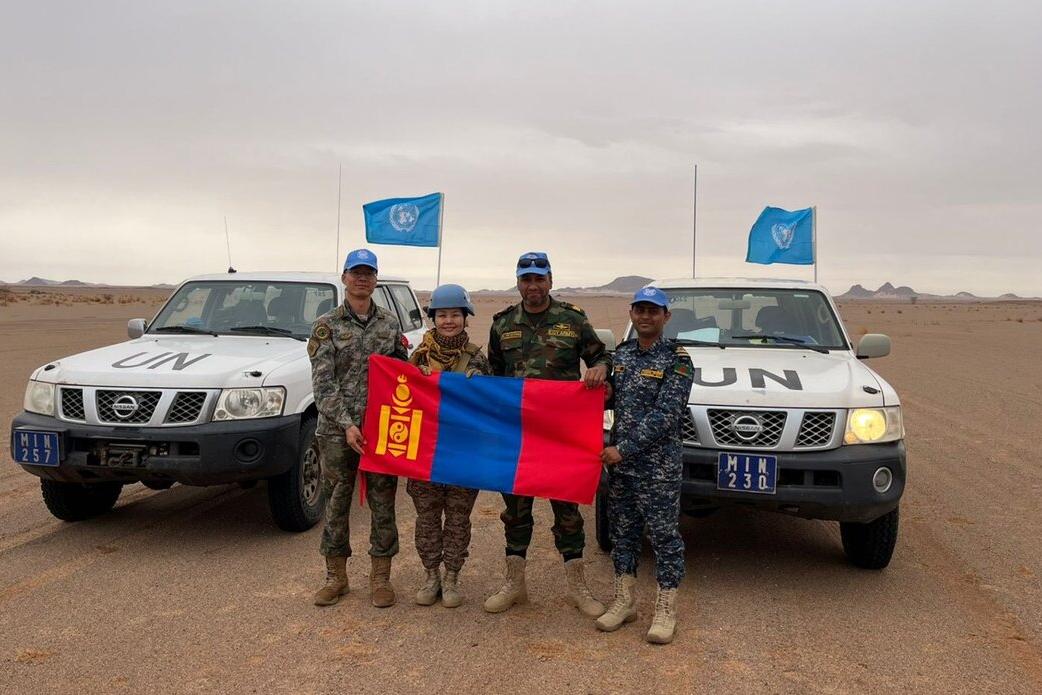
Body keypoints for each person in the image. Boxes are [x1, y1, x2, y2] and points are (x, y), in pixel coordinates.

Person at [484, 251, 610, 617]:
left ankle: (578, 587)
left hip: (560, 435)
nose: (533, 285)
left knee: (567, 510)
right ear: (518, 283)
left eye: (539, 278)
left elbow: (602, 357)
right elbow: (494, 375)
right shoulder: (502, 324)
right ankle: (515, 584)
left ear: (550, 281)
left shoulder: (572, 319)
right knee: (515, 511)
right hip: (519, 435)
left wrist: (600, 369)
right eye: (526, 279)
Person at [310, 248, 408, 608]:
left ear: (376, 280)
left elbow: (402, 372)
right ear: (345, 278)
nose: (362, 279)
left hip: (381, 430)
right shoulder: (326, 326)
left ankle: (381, 577)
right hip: (338, 432)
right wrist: (348, 425)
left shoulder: (389, 324)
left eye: (368, 273)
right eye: (356, 273)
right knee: (337, 502)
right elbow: (323, 385)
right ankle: (336, 577)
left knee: (383, 502)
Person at [595, 286, 694, 644]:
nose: (646, 316)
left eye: (653, 311)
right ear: (632, 314)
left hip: (658, 468)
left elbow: (666, 415)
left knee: (664, 537)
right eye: (640, 310)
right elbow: (615, 398)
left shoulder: (678, 360)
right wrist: (601, 390)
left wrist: (622, 449)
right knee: (623, 534)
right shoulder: (622, 355)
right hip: (623, 468)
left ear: (666, 316)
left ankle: (665, 608)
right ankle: (624, 601)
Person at [407, 284, 492, 608]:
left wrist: (479, 383)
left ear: (465, 317)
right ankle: (431, 576)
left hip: (463, 455)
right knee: (427, 519)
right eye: (442, 315)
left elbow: (490, 406)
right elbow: (402, 400)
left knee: (458, 519)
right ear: (433, 318)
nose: (448, 321)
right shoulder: (419, 357)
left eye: (455, 314)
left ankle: (452, 576)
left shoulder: (477, 359)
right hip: (425, 454)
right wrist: (416, 379)